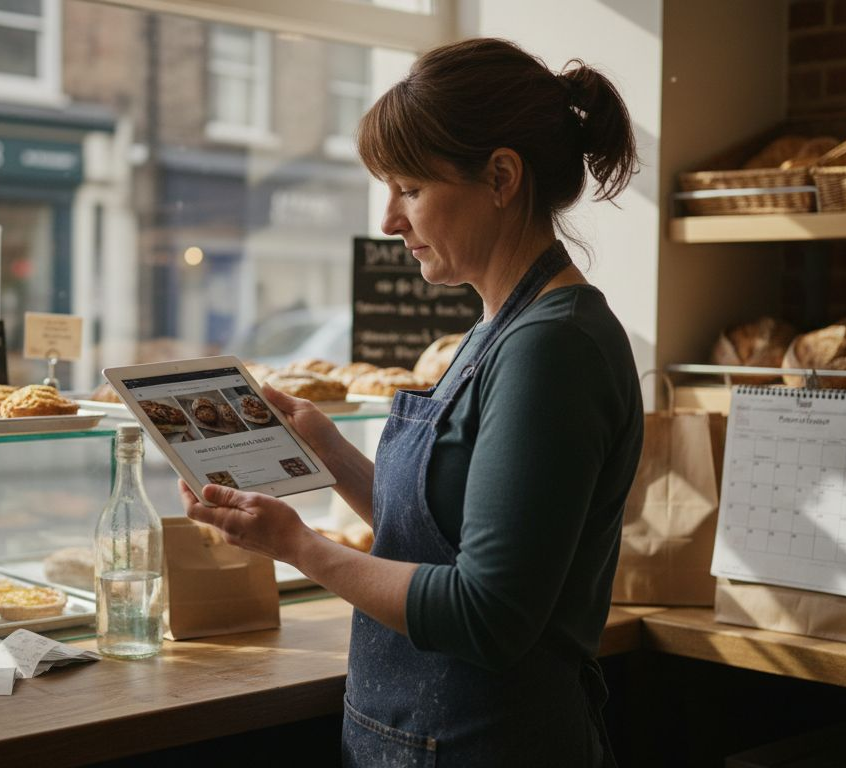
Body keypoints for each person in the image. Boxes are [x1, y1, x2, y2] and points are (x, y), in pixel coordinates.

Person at [181, 37, 643, 767]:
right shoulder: (500, 328)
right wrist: (329, 454)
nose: (390, 220)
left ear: (500, 177)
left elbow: (486, 613)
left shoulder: (555, 348)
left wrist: (298, 545)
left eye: (410, 189)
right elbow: (445, 536)